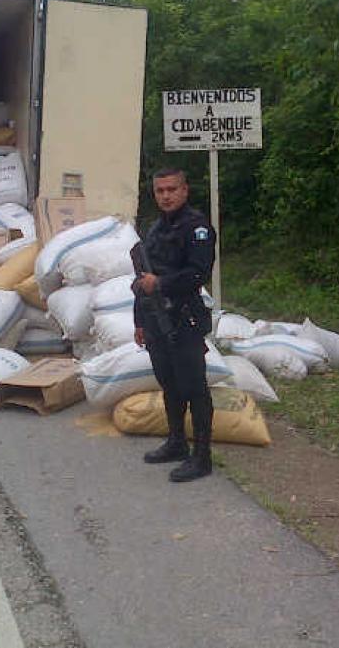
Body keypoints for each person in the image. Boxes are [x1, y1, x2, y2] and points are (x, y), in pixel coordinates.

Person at [132, 168, 216, 483]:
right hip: (155, 319)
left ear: (184, 190)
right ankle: (177, 442)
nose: (166, 196)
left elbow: (198, 273)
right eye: (160, 191)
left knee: (194, 387)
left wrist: (161, 283)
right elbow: (142, 278)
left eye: (171, 189)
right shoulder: (154, 229)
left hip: (185, 318)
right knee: (169, 384)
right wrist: (140, 321)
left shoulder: (197, 228)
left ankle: (202, 457)